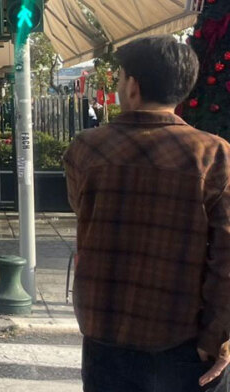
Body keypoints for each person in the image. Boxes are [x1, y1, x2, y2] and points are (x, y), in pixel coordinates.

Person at [64, 36, 230, 392]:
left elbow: (81, 209)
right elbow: (226, 259)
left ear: (133, 85)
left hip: (103, 334)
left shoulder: (87, 149)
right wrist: (216, 338)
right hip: (183, 343)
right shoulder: (215, 156)